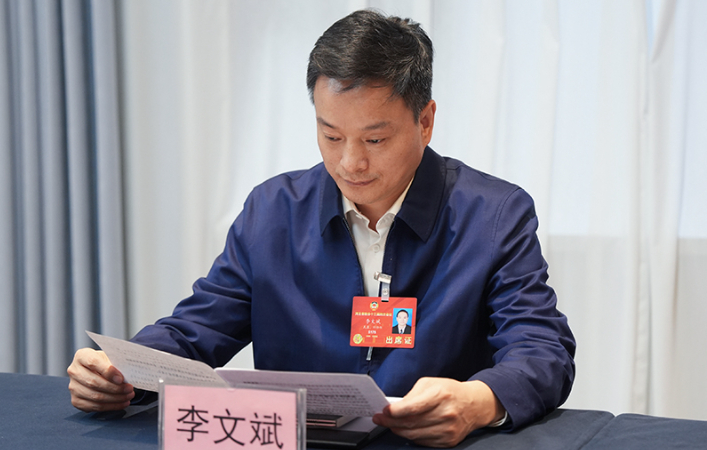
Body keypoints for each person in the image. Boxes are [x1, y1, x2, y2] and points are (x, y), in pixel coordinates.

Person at [68, 9, 575, 448]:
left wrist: (480, 400)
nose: (350, 163)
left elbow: (541, 348)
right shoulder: (274, 212)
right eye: (331, 136)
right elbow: (198, 329)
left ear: (425, 122)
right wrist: (120, 371)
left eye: (375, 140)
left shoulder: (492, 215)